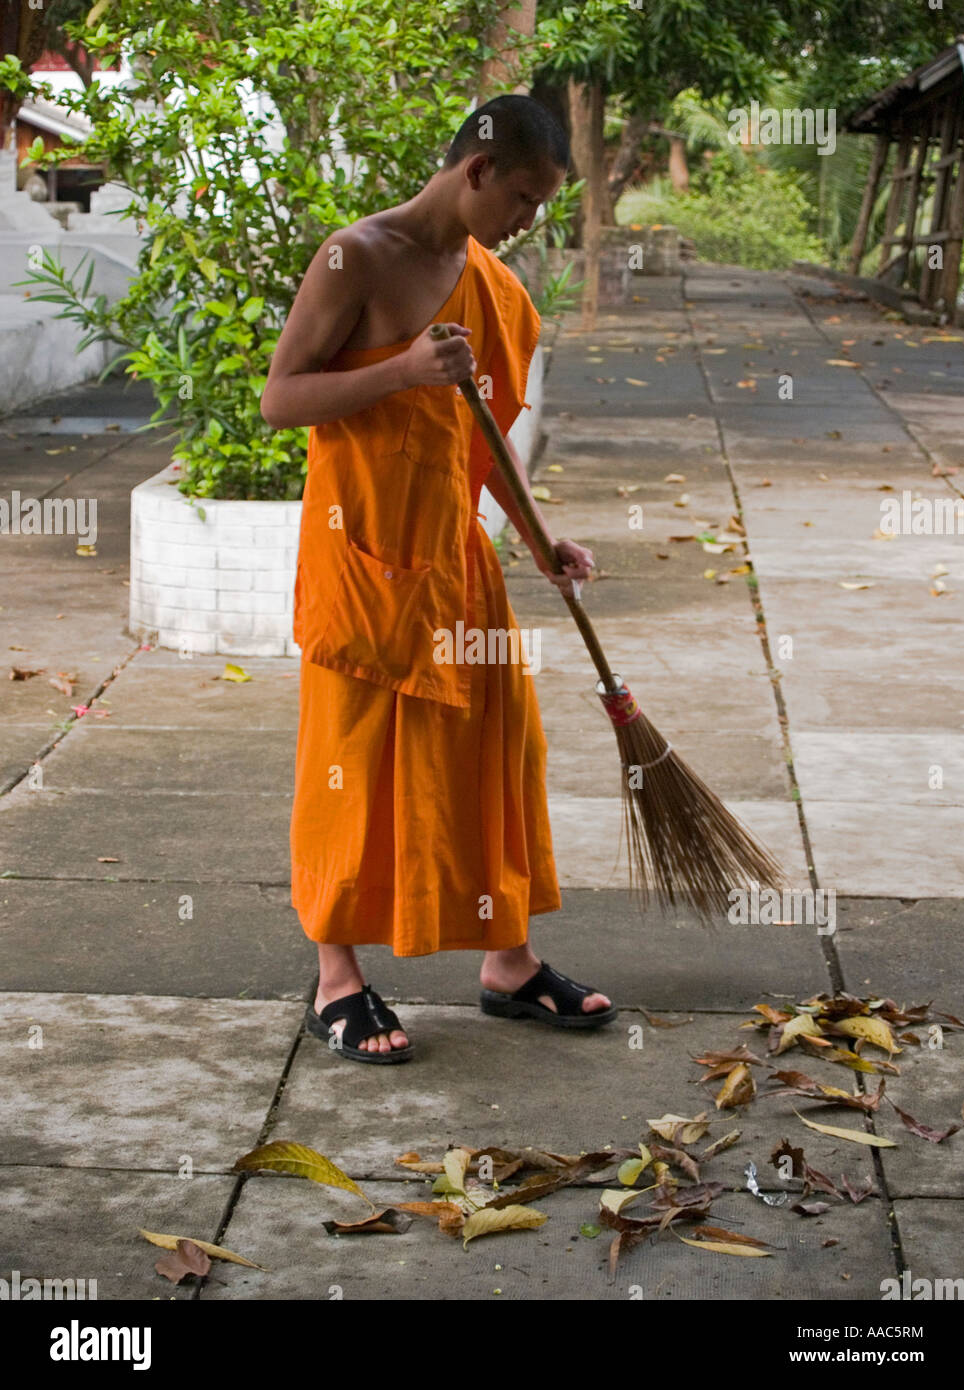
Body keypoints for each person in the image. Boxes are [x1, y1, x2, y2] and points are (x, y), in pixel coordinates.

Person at [261, 94, 616, 1064]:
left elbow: (485, 433)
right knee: (352, 769)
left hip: (455, 560)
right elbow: (279, 398)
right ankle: (338, 980)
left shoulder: (490, 285)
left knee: (502, 755)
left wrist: (540, 538)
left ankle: (508, 961)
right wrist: (403, 369)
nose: (529, 219)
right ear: (474, 171)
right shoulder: (356, 257)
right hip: (365, 562)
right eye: (524, 196)